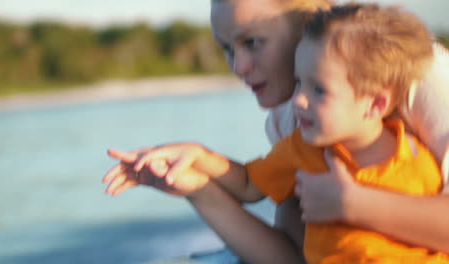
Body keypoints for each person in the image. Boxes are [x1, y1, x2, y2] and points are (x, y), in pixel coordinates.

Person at [103, 0, 449, 262]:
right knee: (288, 209)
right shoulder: (293, 123)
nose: (238, 67)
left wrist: (352, 203)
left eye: (252, 42)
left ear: (306, 25)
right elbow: (289, 253)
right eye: (226, 49)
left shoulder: (419, 74)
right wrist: (198, 187)